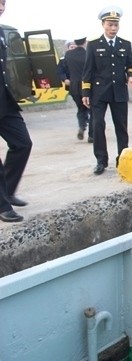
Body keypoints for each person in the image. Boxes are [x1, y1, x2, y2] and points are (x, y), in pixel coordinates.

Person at [82, 6, 132, 175]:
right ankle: (101, 160)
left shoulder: (125, 45)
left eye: (116, 25)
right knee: (98, 125)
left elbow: (130, 65)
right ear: (103, 24)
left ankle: (123, 157)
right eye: (110, 24)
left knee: (121, 126)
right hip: (99, 93)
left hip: (119, 91)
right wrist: (85, 93)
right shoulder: (93, 45)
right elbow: (88, 70)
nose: (113, 28)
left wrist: (131, 77)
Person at [0, 0, 33, 222]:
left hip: (5, 101)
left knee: (23, 143)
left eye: (3, 2)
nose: (1, 6)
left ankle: (8, 191)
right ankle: (2, 205)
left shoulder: (3, 32)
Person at [62, 37, 92, 142]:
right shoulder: (88, 54)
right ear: (85, 42)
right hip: (88, 86)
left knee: (80, 109)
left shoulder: (68, 55)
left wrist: (65, 79)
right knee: (92, 110)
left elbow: (63, 69)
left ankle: (81, 126)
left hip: (74, 86)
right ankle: (92, 135)